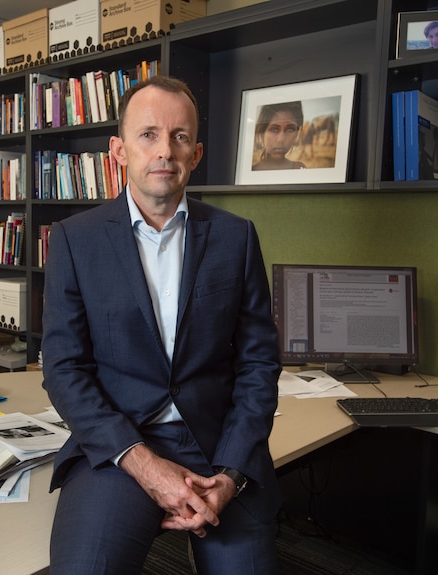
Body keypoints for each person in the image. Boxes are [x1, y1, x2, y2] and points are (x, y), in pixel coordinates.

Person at [41, 75, 283, 575]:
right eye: (147, 134)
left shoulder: (236, 238)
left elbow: (259, 362)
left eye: (178, 137)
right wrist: (144, 465)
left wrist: (231, 475)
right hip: (119, 444)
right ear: (119, 150)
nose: (164, 152)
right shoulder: (73, 240)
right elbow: (64, 368)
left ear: (196, 153)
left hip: (219, 446)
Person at [252, 101, 307, 170]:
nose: (281, 139)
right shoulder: (248, 173)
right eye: (274, 129)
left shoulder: (299, 169)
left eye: (290, 129)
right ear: (262, 132)